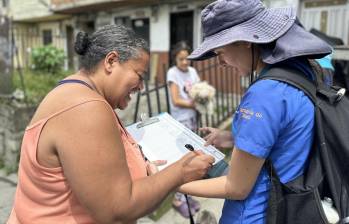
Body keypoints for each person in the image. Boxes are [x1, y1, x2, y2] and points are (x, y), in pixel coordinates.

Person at [7, 25, 215, 224]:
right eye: (139, 75)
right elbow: (116, 209)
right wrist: (180, 172)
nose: (142, 87)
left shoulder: (82, 94)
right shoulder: (85, 109)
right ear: (111, 61)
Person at [178, 0, 332, 224]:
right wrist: (232, 137)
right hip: (289, 203)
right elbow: (285, 135)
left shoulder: (264, 94)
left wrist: (171, 183)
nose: (220, 62)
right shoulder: (300, 72)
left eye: (221, 52)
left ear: (245, 42)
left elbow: (236, 187)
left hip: (256, 214)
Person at [166, 41, 202, 218]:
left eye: (187, 59)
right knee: (182, 160)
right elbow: (175, 99)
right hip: (180, 122)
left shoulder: (193, 71)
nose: (185, 62)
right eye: (181, 59)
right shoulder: (172, 73)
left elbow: (197, 90)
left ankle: (186, 195)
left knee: (192, 158)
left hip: (192, 120)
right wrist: (193, 103)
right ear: (175, 59)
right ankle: (177, 199)